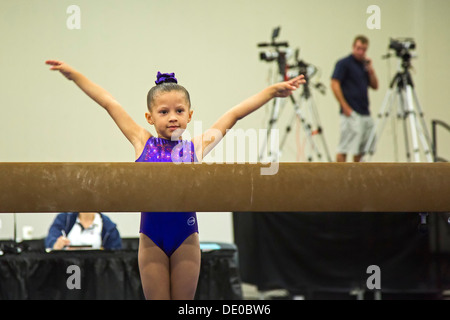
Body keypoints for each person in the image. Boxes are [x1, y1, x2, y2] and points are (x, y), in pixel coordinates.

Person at [46, 60, 305, 299]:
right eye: (164, 111)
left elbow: (234, 114)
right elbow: (109, 103)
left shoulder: (195, 148)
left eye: (179, 110)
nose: (172, 116)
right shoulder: (142, 142)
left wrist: (271, 92)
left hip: (186, 238)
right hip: (151, 238)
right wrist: (74, 76)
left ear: (190, 115)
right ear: (150, 117)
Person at [331, 35, 379, 162]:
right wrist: (345, 107)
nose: (361, 52)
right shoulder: (344, 63)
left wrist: (370, 70)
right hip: (350, 112)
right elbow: (334, 84)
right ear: (353, 47)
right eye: (358, 48)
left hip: (365, 112)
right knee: (344, 147)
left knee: (361, 149)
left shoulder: (364, 66)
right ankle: (339, 179)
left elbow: (375, 86)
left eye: (364, 49)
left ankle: (357, 179)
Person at [45, 212, 122, 250]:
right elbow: (51, 239)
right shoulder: (64, 219)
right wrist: (56, 245)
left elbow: (115, 254)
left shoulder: (108, 226)